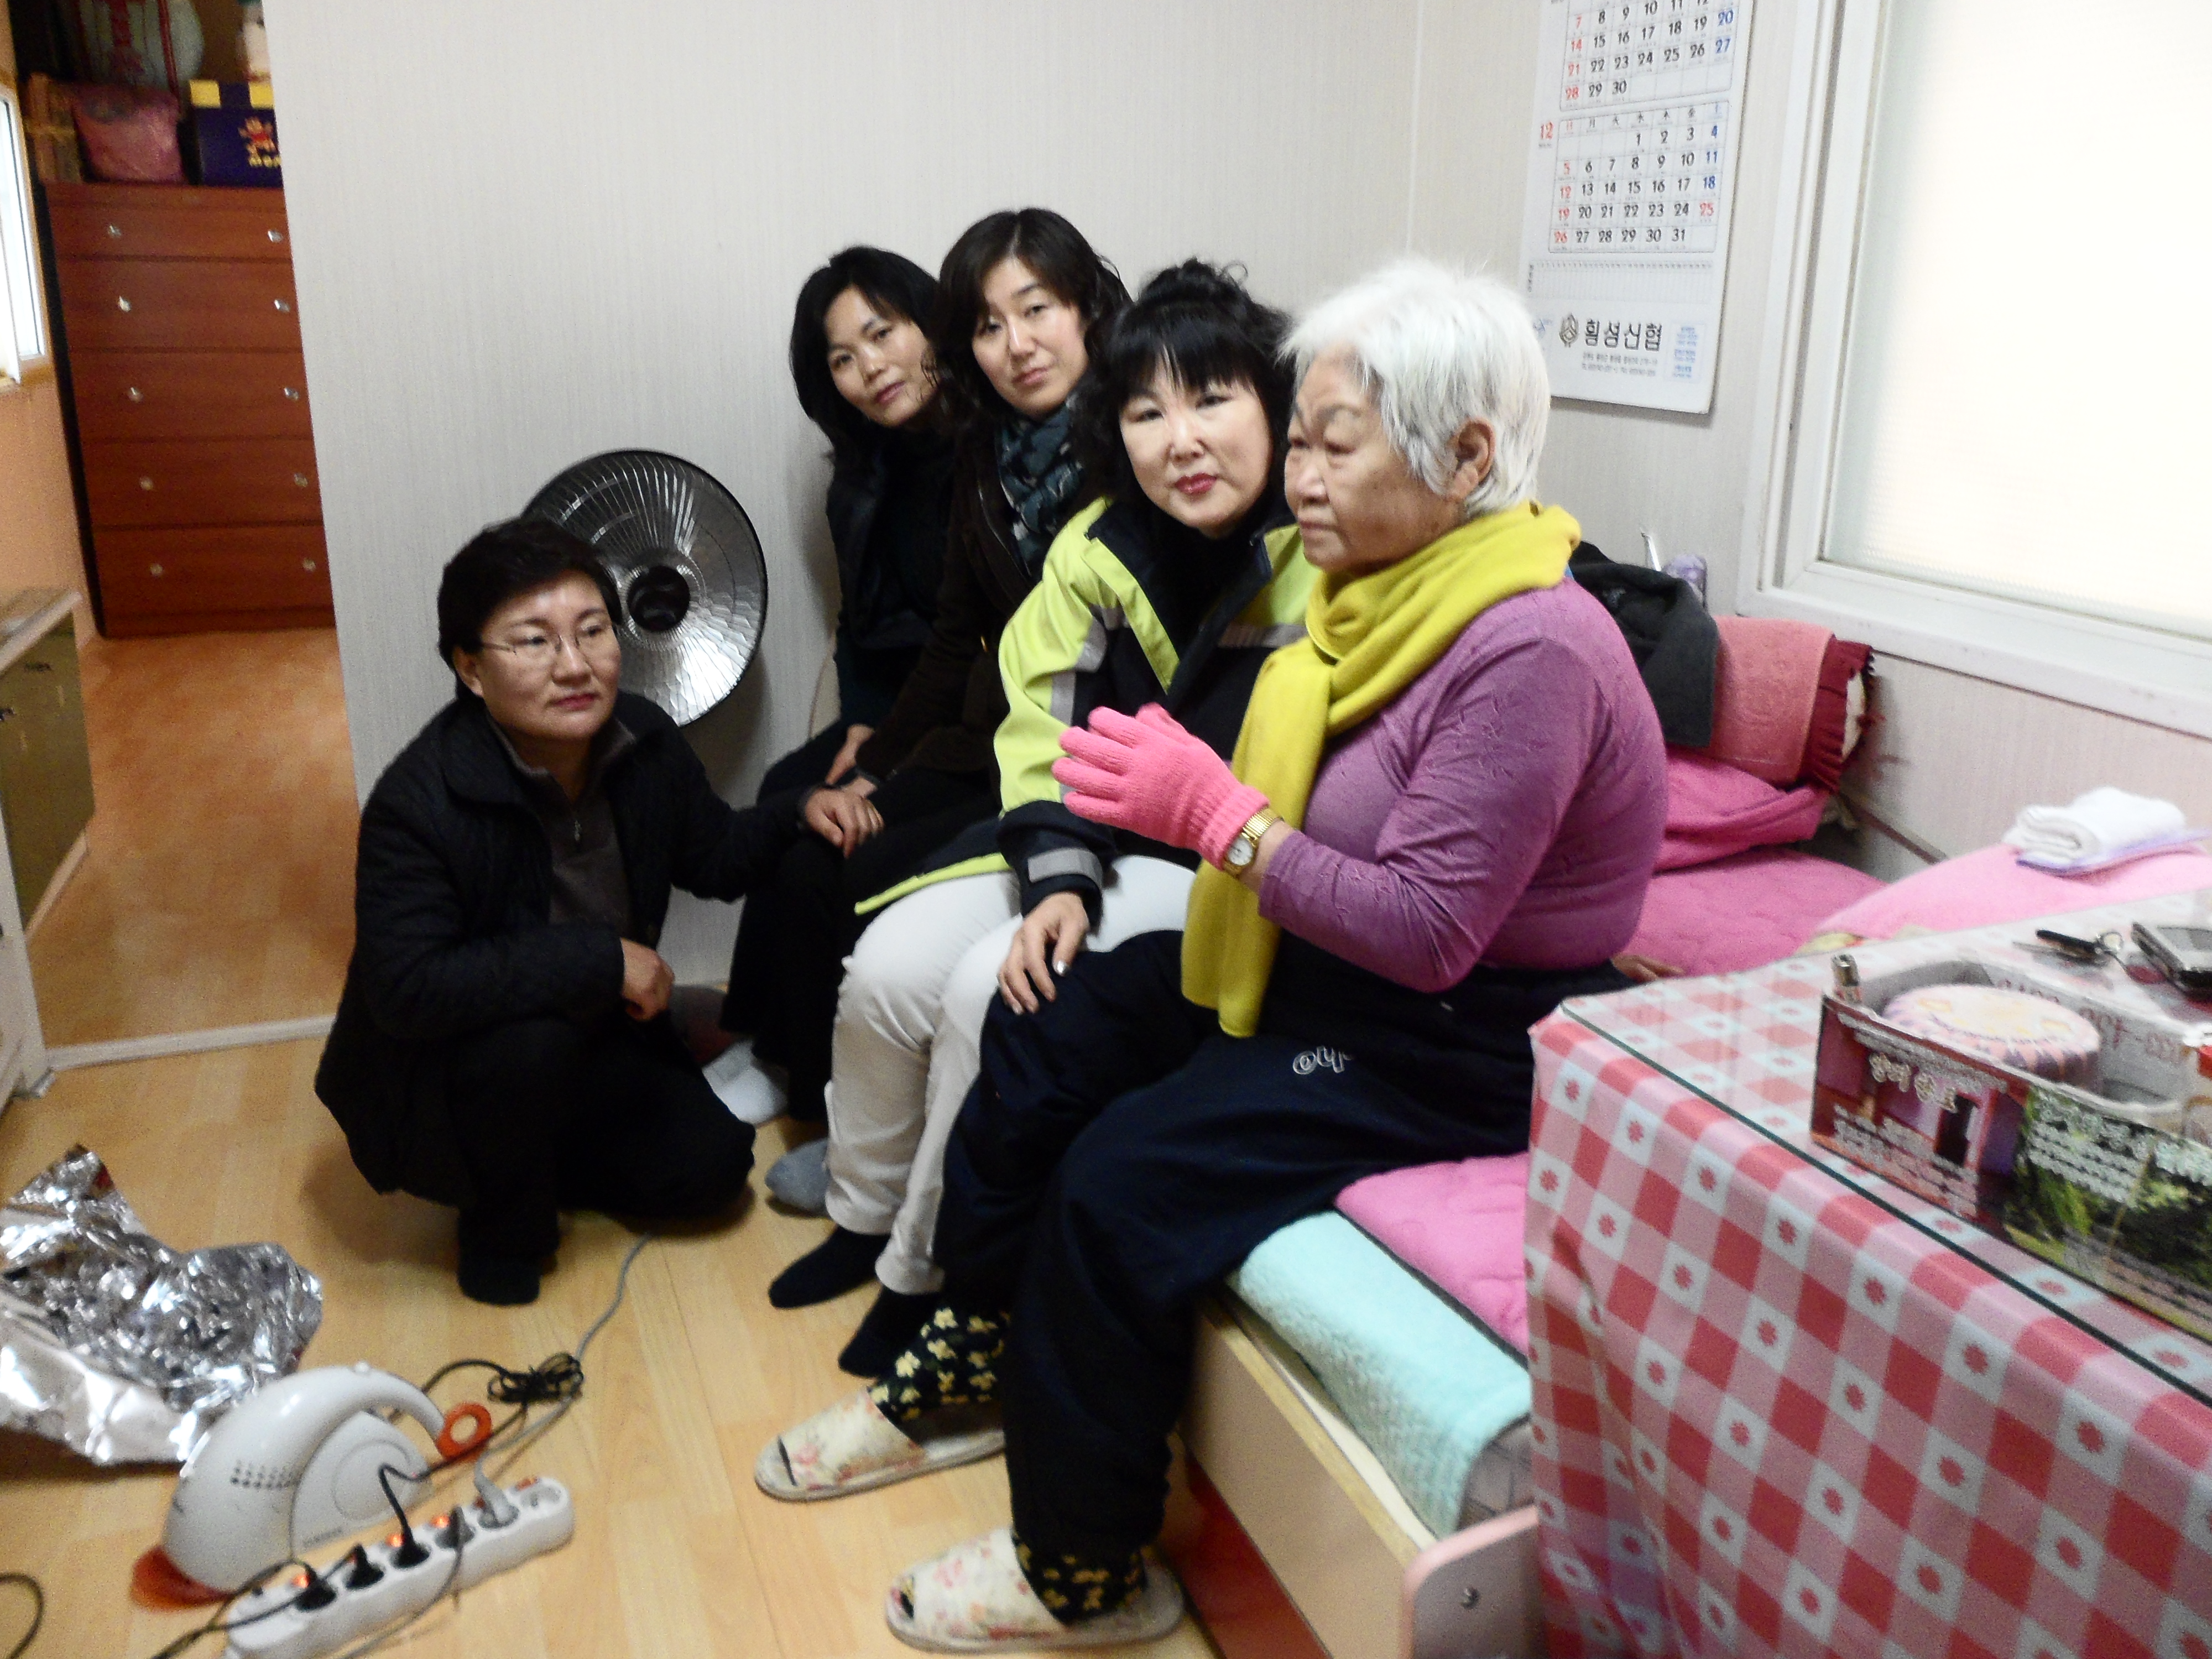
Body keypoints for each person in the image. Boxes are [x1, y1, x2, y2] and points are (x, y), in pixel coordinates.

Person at [758, 261, 1669, 1652]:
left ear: (1466, 456)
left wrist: (1214, 819)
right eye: (1296, 439)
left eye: (1331, 444)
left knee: (1118, 1184)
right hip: (1321, 963)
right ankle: (988, 1353)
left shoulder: (1528, 644)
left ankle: (1082, 1573)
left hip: (1448, 1032)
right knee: (1043, 1029)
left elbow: (1427, 935)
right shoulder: (1378, 590)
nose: (1296, 476)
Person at [764, 262, 1314, 1377]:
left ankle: (922, 1275)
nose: (1181, 440)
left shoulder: (1323, 544)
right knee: (885, 967)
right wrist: (1060, 872)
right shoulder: (1097, 546)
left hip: (1223, 860)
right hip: (1090, 834)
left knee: (993, 990)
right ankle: (863, 1214)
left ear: (1275, 405)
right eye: (1146, 413)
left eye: (1211, 399)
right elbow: (1037, 725)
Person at [313, 519, 870, 1306]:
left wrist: (799, 809)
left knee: (713, 1172)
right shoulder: (420, 801)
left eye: (592, 631)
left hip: (598, 1032)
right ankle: (499, 1220)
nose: (574, 665)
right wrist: (604, 961)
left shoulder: (642, 739)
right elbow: (408, 988)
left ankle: (537, 1156)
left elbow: (715, 856)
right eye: (533, 642)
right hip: (461, 1061)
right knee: (530, 1045)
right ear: (471, 669)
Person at [711, 209, 1128, 1129]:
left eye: (1037, 311)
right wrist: (874, 752)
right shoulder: (965, 462)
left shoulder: (1123, 452)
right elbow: (911, 630)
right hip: (966, 720)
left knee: (835, 854)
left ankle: (818, 1081)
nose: (1017, 344)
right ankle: (782, 1050)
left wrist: (889, 755)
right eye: (991, 325)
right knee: (802, 809)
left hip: (1043, 747)